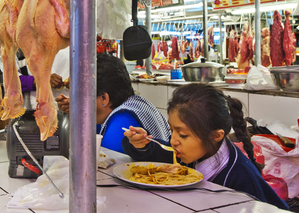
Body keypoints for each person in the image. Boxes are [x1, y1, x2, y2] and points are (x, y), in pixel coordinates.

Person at [122, 83, 288, 210]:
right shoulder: (187, 154)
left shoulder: (240, 178)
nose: (173, 141)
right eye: (171, 130)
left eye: (183, 135)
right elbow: (153, 152)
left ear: (215, 136)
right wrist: (139, 143)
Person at [56, 53, 170, 153]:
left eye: (81, 96)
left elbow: (103, 164)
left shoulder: (122, 123)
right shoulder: (136, 104)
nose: (77, 102)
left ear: (104, 98)